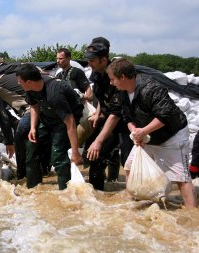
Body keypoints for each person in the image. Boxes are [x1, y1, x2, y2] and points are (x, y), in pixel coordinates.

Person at [107, 58, 196, 208]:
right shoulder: (121, 93)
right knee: (129, 167)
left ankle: (192, 214)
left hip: (172, 135)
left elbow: (165, 116)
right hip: (147, 136)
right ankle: (131, 204)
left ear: (122, 76)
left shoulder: (151, 88)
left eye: (112, 79)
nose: (111, 83)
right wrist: (135, 132)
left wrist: (143, 131)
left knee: (181, 178)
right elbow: (127, 117)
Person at [16, 63, 83, 190]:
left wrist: (75, 152)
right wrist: (33, 128)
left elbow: (70, 122)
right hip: (47, 117)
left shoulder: (54, 92)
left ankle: (65, 193)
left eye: (19, 81)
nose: (18, 84)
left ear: (29, 82)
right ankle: (33, 190)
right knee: (31, 148)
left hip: (65, 121)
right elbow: (34, 106)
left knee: (58, 156)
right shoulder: (30, 89)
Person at [84, 40, 133, 190]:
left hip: (125, 122)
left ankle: (134, 196)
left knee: (128, 161)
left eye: (92, 60)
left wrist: (99, 141)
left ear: (104, 60)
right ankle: (98, 194)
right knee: (95, 156)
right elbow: (100, 96)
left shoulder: (116, 75)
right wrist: (98, 113)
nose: (89, 64)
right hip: (108, 118)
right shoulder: (96, 73)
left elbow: (116, 112)